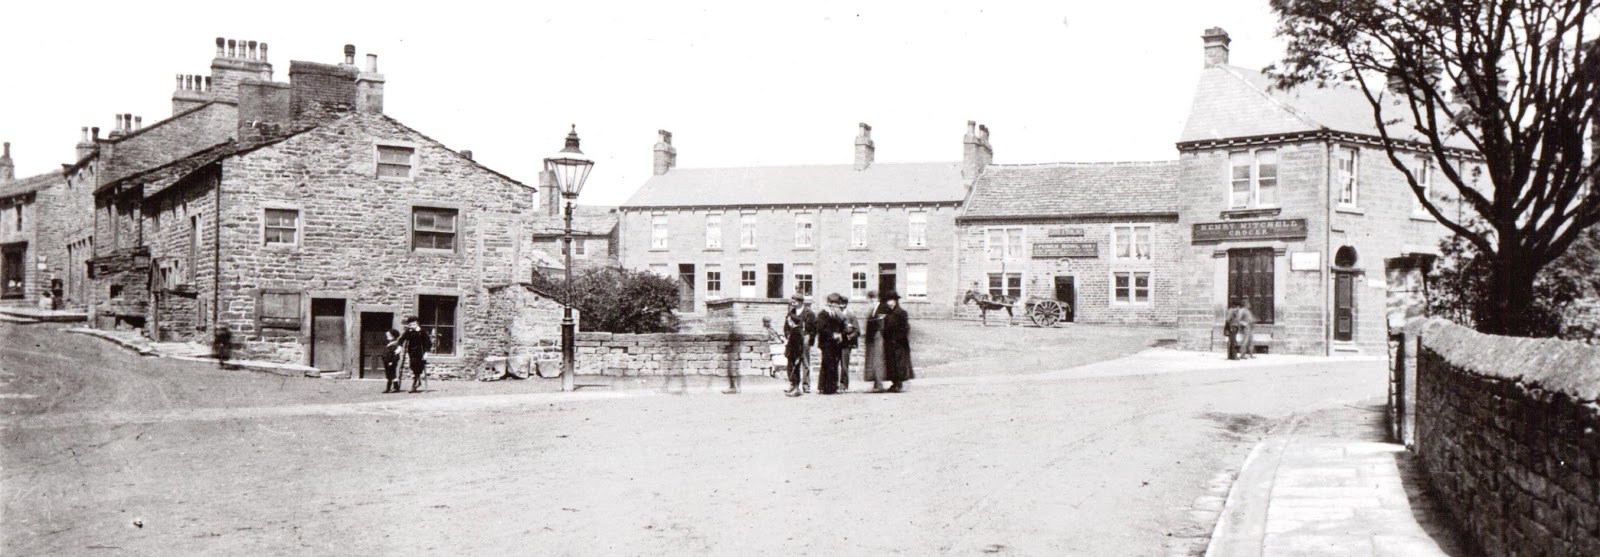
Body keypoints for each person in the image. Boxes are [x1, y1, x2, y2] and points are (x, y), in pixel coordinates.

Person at [880, 291, 915, 392]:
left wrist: (898, 338)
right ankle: (894, 382)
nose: (889, 302)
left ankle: (899, 383)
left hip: (899, 343)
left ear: (895, 301)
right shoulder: (888, 313)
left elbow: (905, 328)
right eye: (888, 300)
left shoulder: (901, 313)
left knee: (898, 364)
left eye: (891, 300)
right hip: (889, 343)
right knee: (891, 364)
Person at [814, 293, 849, 395]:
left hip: (836, 344)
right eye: (833, 303)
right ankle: (825, 387)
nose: (835, 305)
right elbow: (820, 328)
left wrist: (841, 334)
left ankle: (833, 386)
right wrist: (832, 334)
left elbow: (843, 326)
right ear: (829, 303)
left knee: (834, 364)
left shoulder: (837, 314)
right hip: (826, 343)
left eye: (837, 303)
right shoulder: (823, 314)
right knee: (827, 364)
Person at [782, 293, 812, 397]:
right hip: (793, 341)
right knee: (791, 363)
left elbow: (813, 329)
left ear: (800, 302)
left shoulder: (808, 313)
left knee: (805, 362)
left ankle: (806, 385)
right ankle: (793, 384)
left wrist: (808, 339)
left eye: (794, 301)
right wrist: (788, 336)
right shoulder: (791, 313)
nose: (792, 303)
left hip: (804, 341)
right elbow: (786, 327)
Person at [863, 290, 887, 392]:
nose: (872, 300)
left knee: (878, 361)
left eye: (873, 298)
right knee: (873, 362)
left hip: (878, 337)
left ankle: (879, 384)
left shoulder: (881, 308)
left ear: (877, 298)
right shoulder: (872, 310)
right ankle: (876, 383)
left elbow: (881, 324)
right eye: (871, 298)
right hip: (872, 338)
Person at [400, 316, 432, 393]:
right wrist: (399, 346)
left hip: (420, 352)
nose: (411, 326)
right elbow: (402, 338)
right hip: (411, 352)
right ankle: (417, 381)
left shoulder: (422, 332)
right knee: (412, 366)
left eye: (413, 324)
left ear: (417, 323)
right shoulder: (409, 331)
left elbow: (428, 343)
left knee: (417, 367)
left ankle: (415, 384)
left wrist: (426, 353)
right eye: (410, 325)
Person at [838, 296, 860, 392]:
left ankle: (843, 385)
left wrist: (849, 336)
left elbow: (857, 331)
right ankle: (833, 384)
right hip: (835, 343)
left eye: (843, 303)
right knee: (834, 364)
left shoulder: (851, 315)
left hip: (846, 344)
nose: (841, 306)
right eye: (840, 303)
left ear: (846, 304)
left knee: (844, 365)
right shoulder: (835, 314)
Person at [382, 328, 403, 393]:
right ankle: (388, 388)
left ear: (393, 336)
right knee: (388, 374)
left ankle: (396, 387)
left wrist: (392, 361)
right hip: (387, 361)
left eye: (389, 336)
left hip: (391, 361)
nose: (387, 337)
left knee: (393, 374)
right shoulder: (389, 344)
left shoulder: (395, 344)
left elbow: (395, 355)